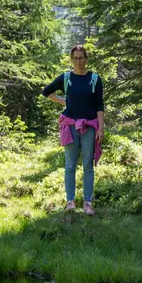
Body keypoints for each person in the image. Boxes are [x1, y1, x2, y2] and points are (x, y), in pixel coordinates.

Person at [42, 45, 104, 216]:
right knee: (70, 165)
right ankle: (70, 201)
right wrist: (65, 102)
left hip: (90, 126)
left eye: (81, 58)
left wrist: (101, 128)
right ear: (71, 59)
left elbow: (99, 104)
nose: (78, 61)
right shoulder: (66, 78)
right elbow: (46, 92)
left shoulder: (94, 79)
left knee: (88, 165)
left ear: (86, 58)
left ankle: (88, 202)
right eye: (75, 58)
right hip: (69, 126)